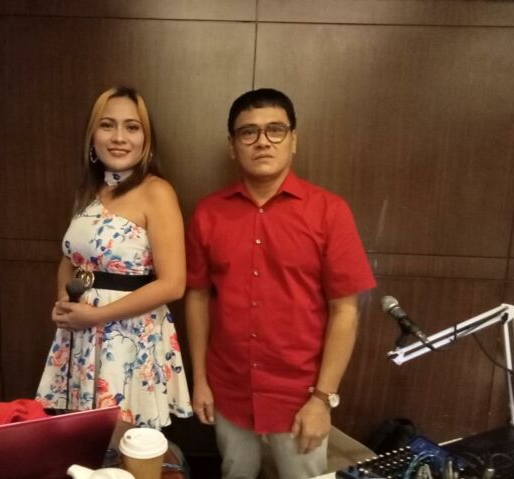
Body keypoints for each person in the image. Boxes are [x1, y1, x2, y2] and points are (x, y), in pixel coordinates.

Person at [185, 88, 376, 479]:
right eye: (248, 132)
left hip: (301, 396)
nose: (263, 141)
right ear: (232, 146)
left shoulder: (329, 212)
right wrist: (200, 381)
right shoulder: (208, 213)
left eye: (275, 130)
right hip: (229, 389)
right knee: (235, 473)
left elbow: (345, 311)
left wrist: (322, 399)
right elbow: (198, 297)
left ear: (294, 140)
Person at [36, 86, 192, 433]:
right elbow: (70, 259)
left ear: (146, 139)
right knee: (82, 439)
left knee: (123, 441)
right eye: (107, 125)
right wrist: (65, 304)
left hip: (129, 337)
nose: (119, 137)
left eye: (132, 127)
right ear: (92, 137)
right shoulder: (90, 191)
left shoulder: (157, 192)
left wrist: (96, 316)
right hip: (81, 334)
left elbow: (173, 284)